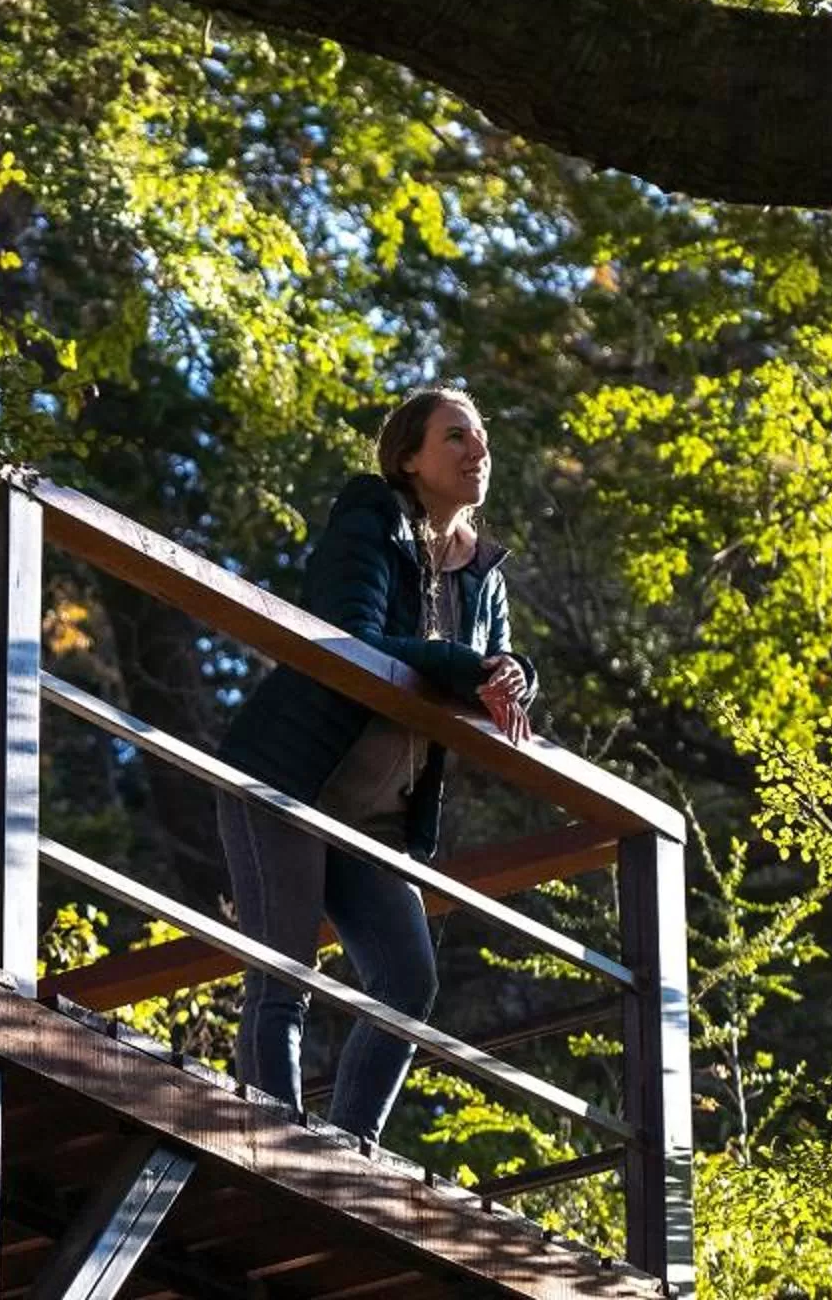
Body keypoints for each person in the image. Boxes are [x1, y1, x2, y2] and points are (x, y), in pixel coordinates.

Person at [214, 386, 539, 1140]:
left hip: (378, 816)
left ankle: (349, 1150)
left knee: (407, 981)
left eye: (482, 438)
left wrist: (516, 674)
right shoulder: (371, 518)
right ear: (409, 459)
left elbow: (494, 668)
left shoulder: (484, 575)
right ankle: (274, 1142)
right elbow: (349, 638)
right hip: (288, 776)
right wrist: (466, 669)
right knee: (284, 974)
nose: (478, 450)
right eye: (456, 436)